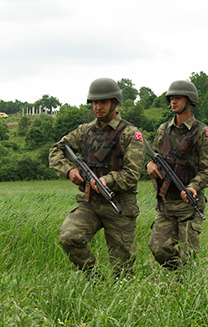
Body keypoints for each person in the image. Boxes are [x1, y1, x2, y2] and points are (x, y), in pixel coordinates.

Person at [48, 78, 145, 278]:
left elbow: (132, 174)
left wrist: (107, 180)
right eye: (94, 103)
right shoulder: (84, 131)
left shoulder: (130, 134)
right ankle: (94, 279)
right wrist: (69, 170)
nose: (98, 107)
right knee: (69, 237)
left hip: (119, 204)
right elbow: (56, 150)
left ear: (115, 103)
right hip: (90, 202)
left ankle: (123, 298)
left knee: (123, 268)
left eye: (103, 102)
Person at [146, 80, 208, 270]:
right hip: (166, 203)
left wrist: (193, 186)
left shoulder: (202, 132)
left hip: (188, 205)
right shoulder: (163, 130)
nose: (173, 102)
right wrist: (150, 165)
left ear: (189, 100)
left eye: (178, 98)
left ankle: (184, 283)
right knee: (158, 248)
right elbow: (154, 156)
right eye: (171, 98)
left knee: (188, 255)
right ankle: (178, 275)